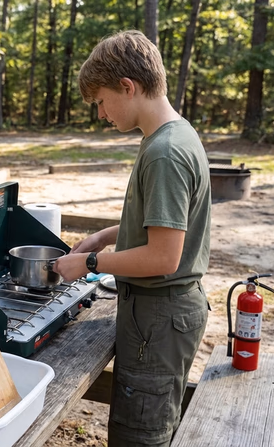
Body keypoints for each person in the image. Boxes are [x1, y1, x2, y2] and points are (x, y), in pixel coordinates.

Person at [53, 30, 211, 447]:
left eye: (101, 101)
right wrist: (104, 237)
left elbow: (163, 257)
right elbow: (161, 225)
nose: (101, 113)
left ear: (128, 86)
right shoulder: (170, 135)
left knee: (139, 436)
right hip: (160, 317)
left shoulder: (164, 152)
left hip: (159, 319)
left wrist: (88, 264)